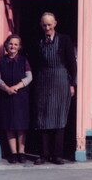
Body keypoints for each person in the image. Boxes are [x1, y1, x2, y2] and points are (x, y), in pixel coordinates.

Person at [31, 12, 77, 165]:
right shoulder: (37, 41)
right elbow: (33, 63)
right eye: (44, 25)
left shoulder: (64, 39)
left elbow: (72, 64)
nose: (47, 28)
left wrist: (72, 84)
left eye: (50, 24)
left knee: (59, 117)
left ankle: (57, 155)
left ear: (55, 23)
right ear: (40, 25)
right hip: (42, 82)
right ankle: (43, 155)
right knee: (42, 119)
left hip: (61, 81)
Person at [0, 34, 32, 164]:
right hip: (7, 96)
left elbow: (29, 77)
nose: (13, 46)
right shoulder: (1, 61)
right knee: (9, 125)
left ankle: (21, 152)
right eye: (11, 44)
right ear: (6, 46)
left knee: (21, 125)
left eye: (16, 44)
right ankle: (13, 153)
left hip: (20, 96)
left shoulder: (23, 60)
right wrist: (6, 88)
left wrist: (16, 87)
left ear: (19, 47)